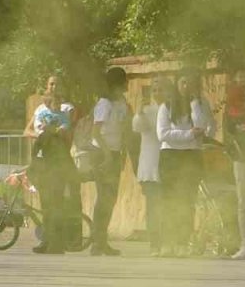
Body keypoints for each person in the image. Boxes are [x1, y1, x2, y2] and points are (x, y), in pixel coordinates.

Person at [156, 71, 214, 257]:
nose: (186, 86)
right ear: (177, 84)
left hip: (192, 156)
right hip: (170, 157)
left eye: (191, 83)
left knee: (187, 200)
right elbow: (163, 134)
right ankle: (167, 243)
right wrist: (189, 135)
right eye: (183, 82)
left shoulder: (202, 105)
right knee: (169, 200)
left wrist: (195, 103)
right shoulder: (166, 106)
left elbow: (205, 128)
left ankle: (182, 242)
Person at [27, 74, 80, 255]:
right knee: (46, 204)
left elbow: (68, 134)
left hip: (58, 161)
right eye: (51, 84)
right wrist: (43, 136)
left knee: (56, 203)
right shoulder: (41, 109)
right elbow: (28, 131)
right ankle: (46, 241)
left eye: (57, 84)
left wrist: (53, 134)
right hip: (43, 161)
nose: (54, 87)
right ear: (46, 86)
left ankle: (57, 243)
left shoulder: (67, 109)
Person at [89, 67, 131, 256]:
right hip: (101, 152)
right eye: (125, 81)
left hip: (114, 152)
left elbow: (123, 129)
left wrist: (121, 154)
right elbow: (96, 132)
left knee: (111, 198)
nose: (127, 84)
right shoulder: (104, 103)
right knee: (103, 196)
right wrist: (106, 154)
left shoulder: (122, 103)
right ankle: (97, 242)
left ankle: (102, 240)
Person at [133, 76, 169, 256]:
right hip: (150, 164)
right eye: (154, 90)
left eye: (161, 89)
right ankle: (155, 244)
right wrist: (139, 111)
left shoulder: (173, 110)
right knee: (154, 205)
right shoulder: (146, 110)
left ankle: (170, 241)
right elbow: (138, 127)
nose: (157, 93)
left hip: (169, 163)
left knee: (170, 205)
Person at [230, 67, 245, 260]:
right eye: (240, 78)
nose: (244, 82)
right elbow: (230, 133)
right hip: (243, 159)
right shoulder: (232, 106)